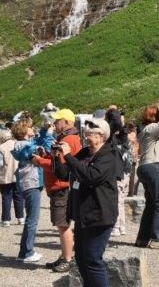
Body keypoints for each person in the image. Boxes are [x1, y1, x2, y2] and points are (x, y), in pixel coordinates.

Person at [54, 117, 120, 287]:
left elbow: (91, 176)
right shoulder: (84, 153)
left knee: (92, 258)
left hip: (99, 214)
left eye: (90, 134)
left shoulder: (108, 156)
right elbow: (63, 173)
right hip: (82, 214)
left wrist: (69, 156)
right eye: (85, 133)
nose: (85, 137)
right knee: (81, 258)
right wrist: (57, 156)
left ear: (101, 136)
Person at [32, 108, 83, 273]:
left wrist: (39, 160)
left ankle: (67, 259)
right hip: (62, 187)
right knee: (62, 223)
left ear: (66, 122)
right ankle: (64, 256)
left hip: (61, 187)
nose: (55, 123)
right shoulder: (72, 137)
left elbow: (59, 167)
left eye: (58, 121)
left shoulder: (68, 139)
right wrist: (46, 155)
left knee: (63, 224)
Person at [134, 101, 159, 249]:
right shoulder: (152, 129)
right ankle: (157, 239)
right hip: (155, 167)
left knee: (151, 205)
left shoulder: (148, 130)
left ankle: (143, 239)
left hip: (147, 167)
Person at [11, 117, 45, 263]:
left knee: (30, 217)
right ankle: (28, 252)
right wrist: (46, 133)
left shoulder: (19, 144)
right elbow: (44, 148)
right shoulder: (27, 146)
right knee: (33, 218)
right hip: (32, 182)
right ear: (24, 130)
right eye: (31, 127)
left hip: (26, 182)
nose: (33, 129)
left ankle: (24, 251)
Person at [105, 107, 131, 236]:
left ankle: (116, 226)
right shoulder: (122, 137)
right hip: (123, 172)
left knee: (116, 200)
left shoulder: (112, 138)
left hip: (116, 172)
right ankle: (121, 226)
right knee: (119, 200)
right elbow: (120, 127)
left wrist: (113, 111)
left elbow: (116, 124)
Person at [0, 127, 24, 227]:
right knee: (19, 196)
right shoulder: (17, 144)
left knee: (6, 197)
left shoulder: (1, 147)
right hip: (18, 174)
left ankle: (6, 220)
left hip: (6, 175)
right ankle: (21, 218)